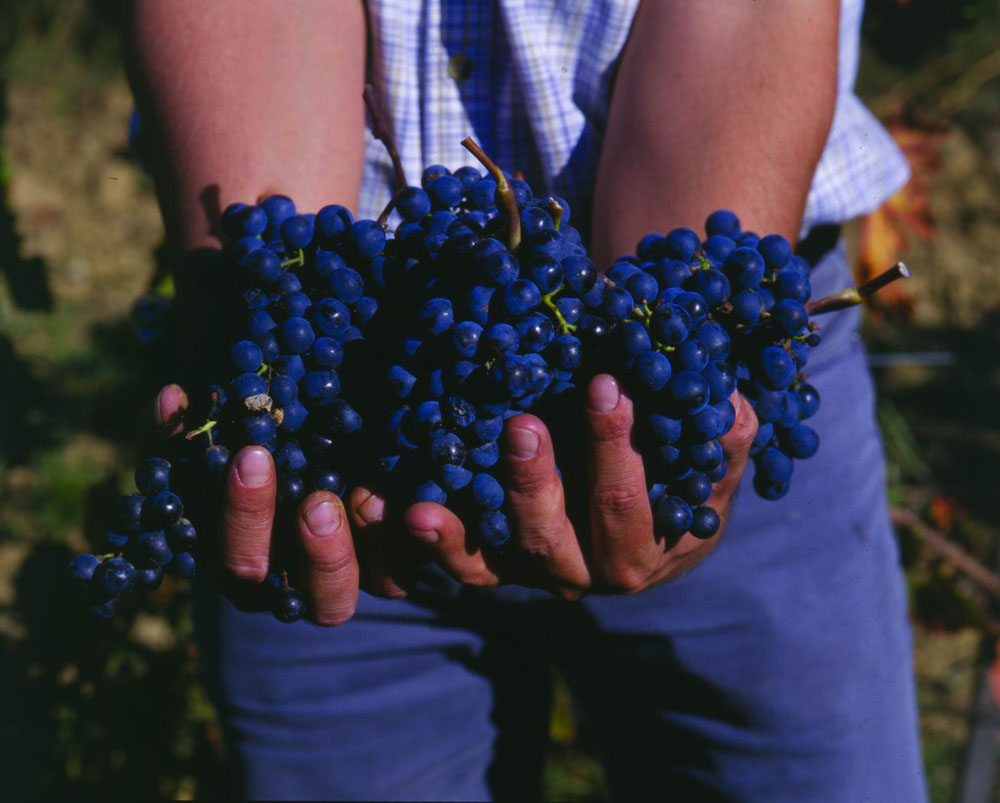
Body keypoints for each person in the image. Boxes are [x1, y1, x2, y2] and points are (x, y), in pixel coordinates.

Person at [123, 0, 927, 799]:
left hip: (720, 349)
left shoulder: (688, 381)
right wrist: (267, 341)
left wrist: (677, 369)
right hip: (357, 395)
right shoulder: (316, 376)